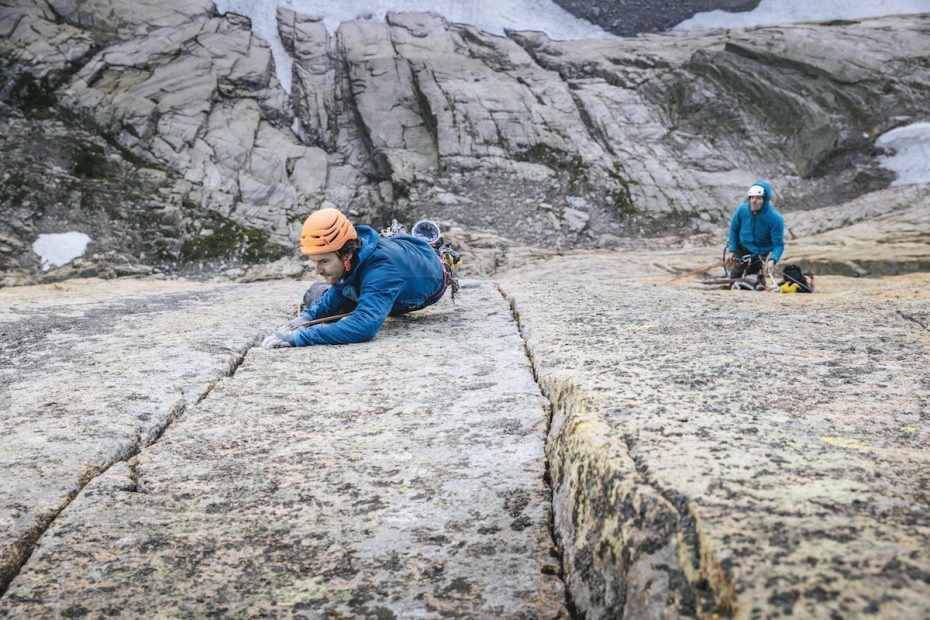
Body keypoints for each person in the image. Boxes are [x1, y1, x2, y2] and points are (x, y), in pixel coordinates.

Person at [262, 208, 453, 348]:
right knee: (316, 294)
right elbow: (339, 291)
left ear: (346, 255)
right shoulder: (351, 255)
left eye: (323, 261)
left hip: (430, 272)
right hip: (399, 255)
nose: (317, 269)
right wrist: (304, 318)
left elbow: (365, 326)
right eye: (314, 261)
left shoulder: (382, 271)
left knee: (324, 297)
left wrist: (302, 337)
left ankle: (432, 246)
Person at [725, 181, 784, 279]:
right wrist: (732, 250)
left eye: (758, 198)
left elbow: (778, 245)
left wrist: (772, 260)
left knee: (752, 280)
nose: (754, 201)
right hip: (742, 248)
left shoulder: (775, 218)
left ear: (765, 200)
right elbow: (734, 230)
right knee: (734, 275)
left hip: (759, 254)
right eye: (752, 197)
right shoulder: (742, 210)